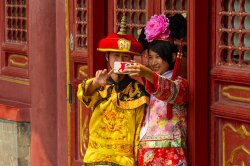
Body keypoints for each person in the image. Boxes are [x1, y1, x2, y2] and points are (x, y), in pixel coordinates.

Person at [77, 16, 149, 166]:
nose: (120, 60)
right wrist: (97, 84)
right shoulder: (98, 84)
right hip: (96, 157)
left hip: (123, 160)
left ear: (130, 61)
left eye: (125, 57)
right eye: (116, 55)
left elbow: (138, 129)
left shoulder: (138, 91)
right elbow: (83, 95)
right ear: (107, 56)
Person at [125, 14, 188, 165]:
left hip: (169, 151)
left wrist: (147, 73)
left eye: (158, 57)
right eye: (150, 57)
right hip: (145, 148)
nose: (153, 63)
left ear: (173, 57)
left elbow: (169, 91)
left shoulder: (180, 83)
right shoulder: (148, 82)